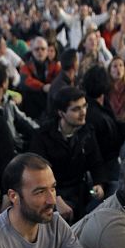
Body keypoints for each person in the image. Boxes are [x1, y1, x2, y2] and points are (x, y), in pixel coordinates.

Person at [29, 86, 106, 220]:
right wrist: (56, 199)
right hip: (54, 192)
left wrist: (99, 184)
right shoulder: (43, 135)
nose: (83, 112)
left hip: (80, 190)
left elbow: (96, 162)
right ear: (61, 113)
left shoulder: (87, 131)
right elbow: (39, 175)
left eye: (84, 106)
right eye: (76, 109)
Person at [0, 63, 38, 152]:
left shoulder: (7, 100)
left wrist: (41, 132)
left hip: (17, 146)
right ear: (3, 83)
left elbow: (24, 120)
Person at [19, 37, 60, 120]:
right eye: (37, 49)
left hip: (49, 103)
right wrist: (42, 87)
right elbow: (25, 82)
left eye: (43, 49)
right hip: (31, 106)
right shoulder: (26, 65)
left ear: (47, 51)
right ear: (32, 51)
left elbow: (59, 80)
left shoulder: (55, 65)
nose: (40, 52)